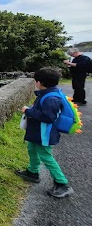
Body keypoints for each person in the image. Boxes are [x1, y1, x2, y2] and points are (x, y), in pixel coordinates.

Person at [15, 67, 74, 198]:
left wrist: (28, 111)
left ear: (39, 83)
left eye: (36, 81)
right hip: (37, 132)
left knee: (46, 156)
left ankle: (62, 183)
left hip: (44, 133)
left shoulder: (51, 98)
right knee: (32, 149)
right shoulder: (48, 94)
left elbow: (48, 117)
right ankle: (32, 171)